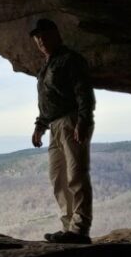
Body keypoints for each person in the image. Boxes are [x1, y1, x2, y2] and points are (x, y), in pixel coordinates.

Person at [30, 18, 96, 244]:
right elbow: (46, 102)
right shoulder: (46, 66)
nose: (41, 41)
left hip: (72, 120)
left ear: (56, 34)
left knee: (76, 175)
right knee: (58, 178)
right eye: (38, 38)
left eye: (45, 36)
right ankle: (68, 227)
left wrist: (83, 120)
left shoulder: (70, 60)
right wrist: (40, 126)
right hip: (54, 126)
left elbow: (83, 92)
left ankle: (79, 229)